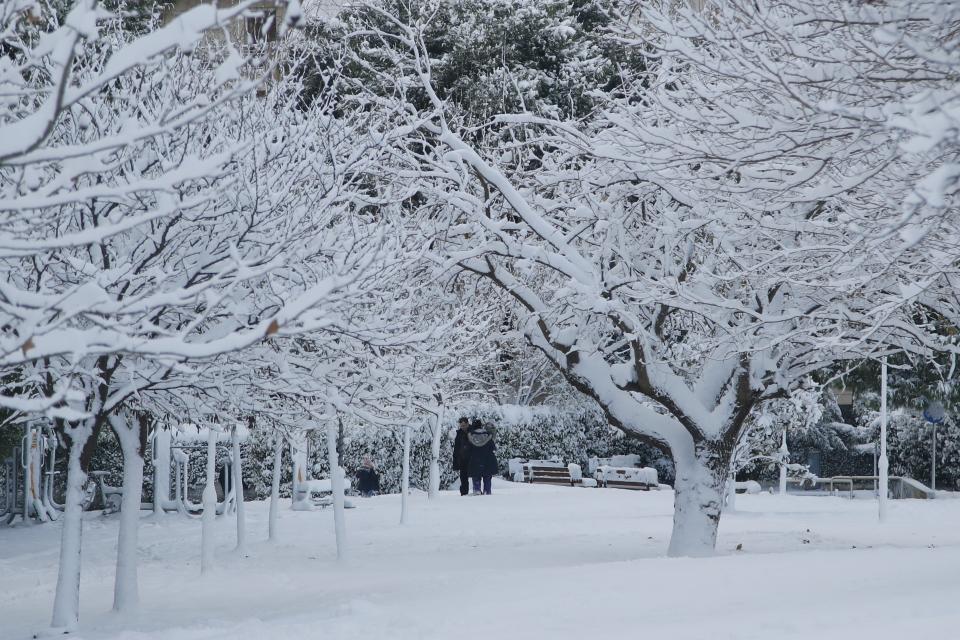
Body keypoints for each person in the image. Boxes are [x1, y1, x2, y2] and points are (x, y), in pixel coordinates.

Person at [467, 418, 497, 495]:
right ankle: (487, 491)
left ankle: (477, 490)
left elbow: (468, 450)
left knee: (476, 476)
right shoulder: (488, 436)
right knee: (487, 476)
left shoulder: (470, 437)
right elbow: (493, 448)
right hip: (487, 460)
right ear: (481, 426)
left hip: (475, 460)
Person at [452, 416, 472, 496]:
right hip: (462, 459)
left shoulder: (472, 431)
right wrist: (456, 461)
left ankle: (477, 490)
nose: (462, 427)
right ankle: (464, 493)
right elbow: (456, 448)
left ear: (467, 424)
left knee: (475, 476)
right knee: (463, 477)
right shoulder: (459, 434)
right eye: (461, 426)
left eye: (464, 425)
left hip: (472, 458)